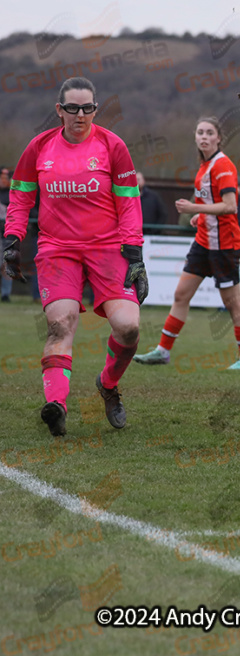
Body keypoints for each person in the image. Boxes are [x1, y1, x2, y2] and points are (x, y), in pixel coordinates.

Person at [2, 77, 148, 436]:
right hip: (57, 250)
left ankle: (108, 385)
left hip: (107, 249)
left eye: (87, 108)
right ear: (59, 110)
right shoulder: (38, 148)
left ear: (95, 108)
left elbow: (128, 203)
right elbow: (20, 199)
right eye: (72, 108)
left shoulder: (113, 146)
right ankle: (57, 404)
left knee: (129, 328)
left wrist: (135, 253)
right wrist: (12, 239)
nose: (80, 115)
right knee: (60, 324)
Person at [134, 116, 240, 369]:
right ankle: (162, 351)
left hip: (224, 246)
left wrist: (194, 207)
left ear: (219, 138)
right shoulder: (205, 165)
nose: (203, 136)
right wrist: (200, 214)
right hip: (204, 242)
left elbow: (231, 206)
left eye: (209, 132)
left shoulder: (222, 166)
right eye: (199, 132)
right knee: (181, 295)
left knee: (233, 303)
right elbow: (215, 204)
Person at [0, 166, 10, 302]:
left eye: (6, 177)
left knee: (7, 265)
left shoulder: (12, 191)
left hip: (8, 234)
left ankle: (6, 294)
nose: (4, 180)